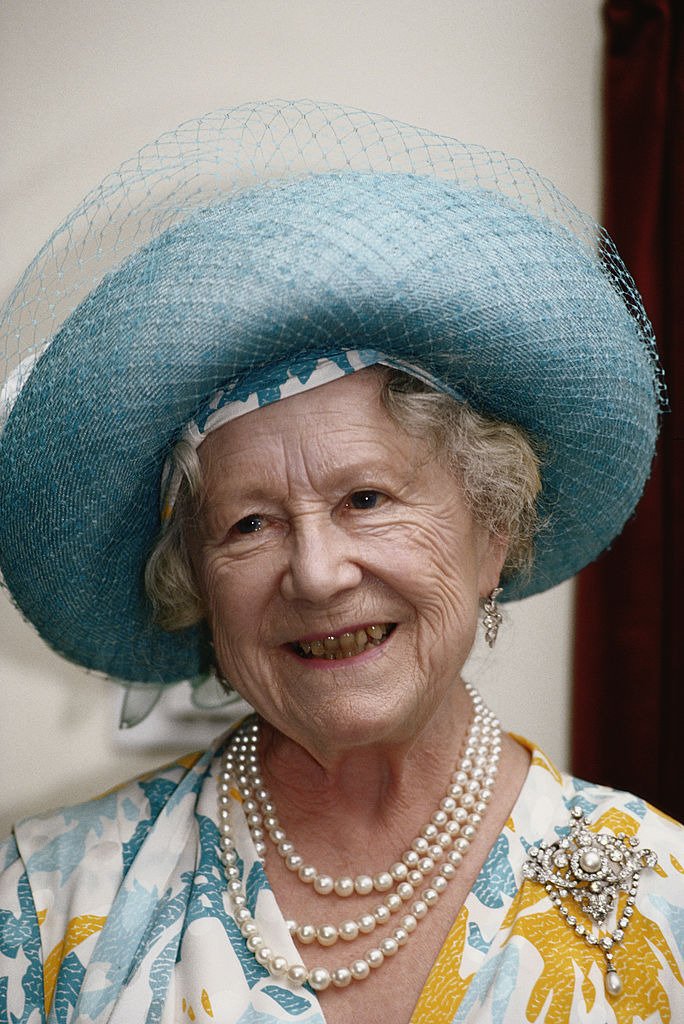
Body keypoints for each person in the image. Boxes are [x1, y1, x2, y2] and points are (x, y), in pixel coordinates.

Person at [0, 101, 681, 1024]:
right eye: (248, 526)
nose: (316, 575)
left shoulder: (664, 899)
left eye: (366, 499)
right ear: (195, 583)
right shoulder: (43, 907)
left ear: (493, 537)